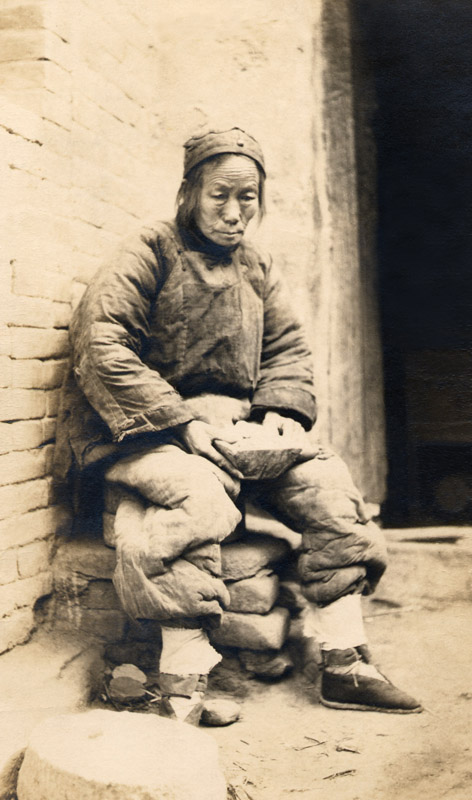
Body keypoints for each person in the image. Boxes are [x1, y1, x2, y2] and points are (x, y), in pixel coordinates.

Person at [54, 126, 422, 723]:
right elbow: (102, 346)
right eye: (219, 196)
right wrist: (181, 425)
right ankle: (182, 686)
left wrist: (277, 414)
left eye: (246, 198)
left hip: (237, 435)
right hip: (146, 432)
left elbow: (287, 351)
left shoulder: (256, 266)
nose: (233, 213)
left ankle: (345, 662)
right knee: (196, 498)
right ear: (189, 194)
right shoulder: (148, 251)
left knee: (328, 483)